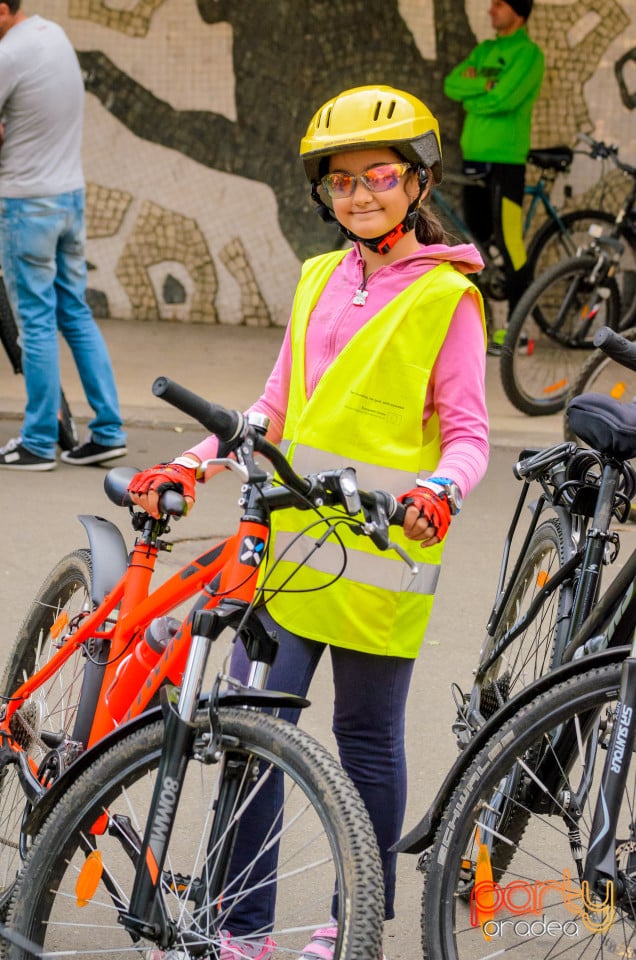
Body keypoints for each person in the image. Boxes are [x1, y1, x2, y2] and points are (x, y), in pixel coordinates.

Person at [127, 85, 489, 960]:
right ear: (323, 196)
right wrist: (197, 459)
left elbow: (471, 435)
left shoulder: (449, 299)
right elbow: (276, 405)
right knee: (255, 733)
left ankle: (351, 922)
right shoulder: (320, 274)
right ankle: (241, 926)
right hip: (291, 549)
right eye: (341, 182)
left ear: (418, 182)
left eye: (380, 176)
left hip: (382, 557)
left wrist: (440, 490)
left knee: (365, 743)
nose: (361, 194)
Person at [0, 0, 126, 471]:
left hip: (26, 205)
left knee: (35, 323)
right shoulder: (53, 36)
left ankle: (36, 442)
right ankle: (109, 432)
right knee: (74, 311)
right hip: (69, 197)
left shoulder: (9, 53)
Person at [444, 0, 544, 336]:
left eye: (499, 4)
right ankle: (483, 328)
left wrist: (475, 95)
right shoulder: (485, 50)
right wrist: (484, 87)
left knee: (509, 241)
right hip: (475, 158)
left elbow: (504, 99)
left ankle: (518, 332)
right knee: (479, 243)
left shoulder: (528, 54)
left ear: (518, 11)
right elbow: (452, 84)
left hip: (506, 161)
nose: (491, 9)